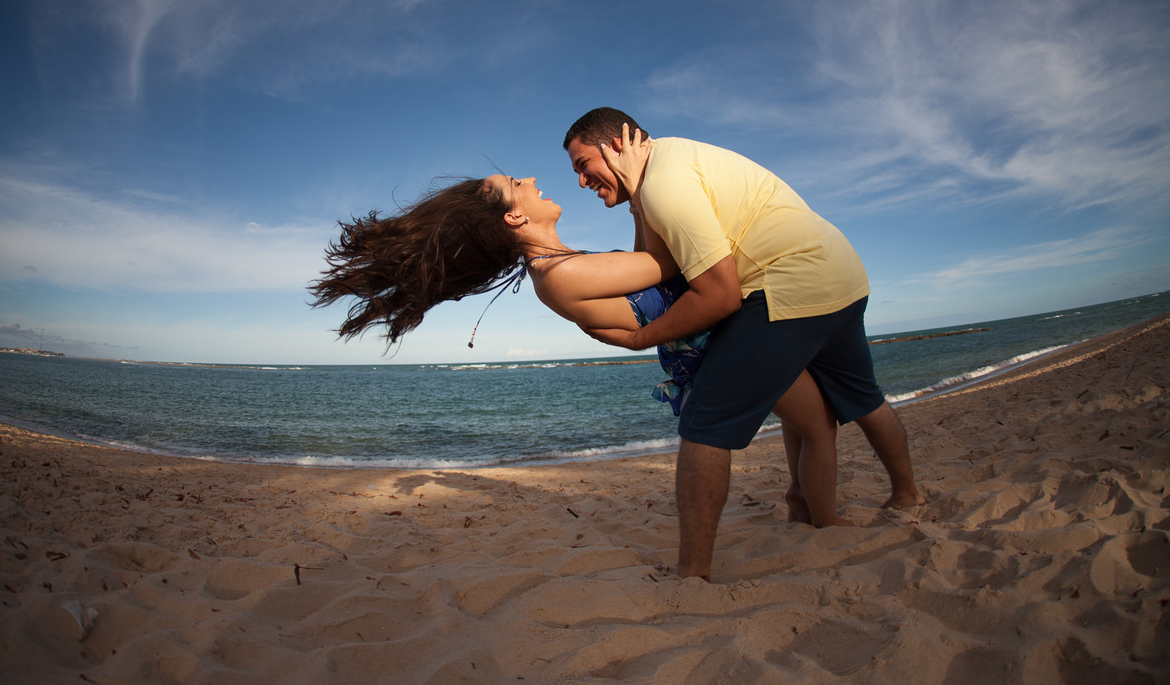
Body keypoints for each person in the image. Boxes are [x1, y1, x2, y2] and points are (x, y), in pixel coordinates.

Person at [563, 107, 925, 580]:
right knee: (860, 396)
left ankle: (692, 573)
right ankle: (906, 495)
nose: (580, 181)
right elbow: (656, 262)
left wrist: (640, 337)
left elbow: (719, 294)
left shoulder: (665, 184)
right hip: (841, 274)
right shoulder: (675, 162)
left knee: (705, 422)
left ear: (614, 146)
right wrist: (637, 201)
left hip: (790, 284)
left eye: (582, 164)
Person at [310, 173, 743, 418]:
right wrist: (639, 184)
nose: (532, 179)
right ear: (515, 216)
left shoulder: (564, 264)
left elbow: (649, 271)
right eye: (518, 182)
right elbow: (671, 264)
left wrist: (635, 204)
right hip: (724, 349)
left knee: (812, 428)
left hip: (723, 336)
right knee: (813, 431)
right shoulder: (560, 275)